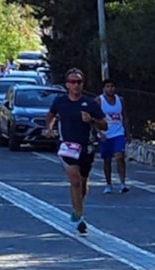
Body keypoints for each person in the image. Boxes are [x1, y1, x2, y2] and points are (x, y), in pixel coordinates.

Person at [45, 67, 107, 235]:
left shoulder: (90, 104)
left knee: (83, 185)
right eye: (73, 82)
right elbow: (50, 115)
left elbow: (104, 125)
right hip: (67, 147)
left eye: (79, 82)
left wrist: (91, 119)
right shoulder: (60, 102)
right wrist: (49, 128)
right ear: (67, 85)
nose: (76, 85)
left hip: (86, 147)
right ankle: (80, 217)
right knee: (75, 181)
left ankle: (76, 208)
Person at [96, 78, 131, 194]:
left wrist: (128, 133)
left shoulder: (120, 100)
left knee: (120, 156)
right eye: (108, 86)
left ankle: (122, 183)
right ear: (104, 88)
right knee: (107, 160)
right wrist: (99, 132)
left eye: (112, 86)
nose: (110, 89)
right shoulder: (99, 101)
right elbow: (93, 119)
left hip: (118, 133)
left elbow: (124, 117)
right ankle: (108, 184)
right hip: (105, 134)